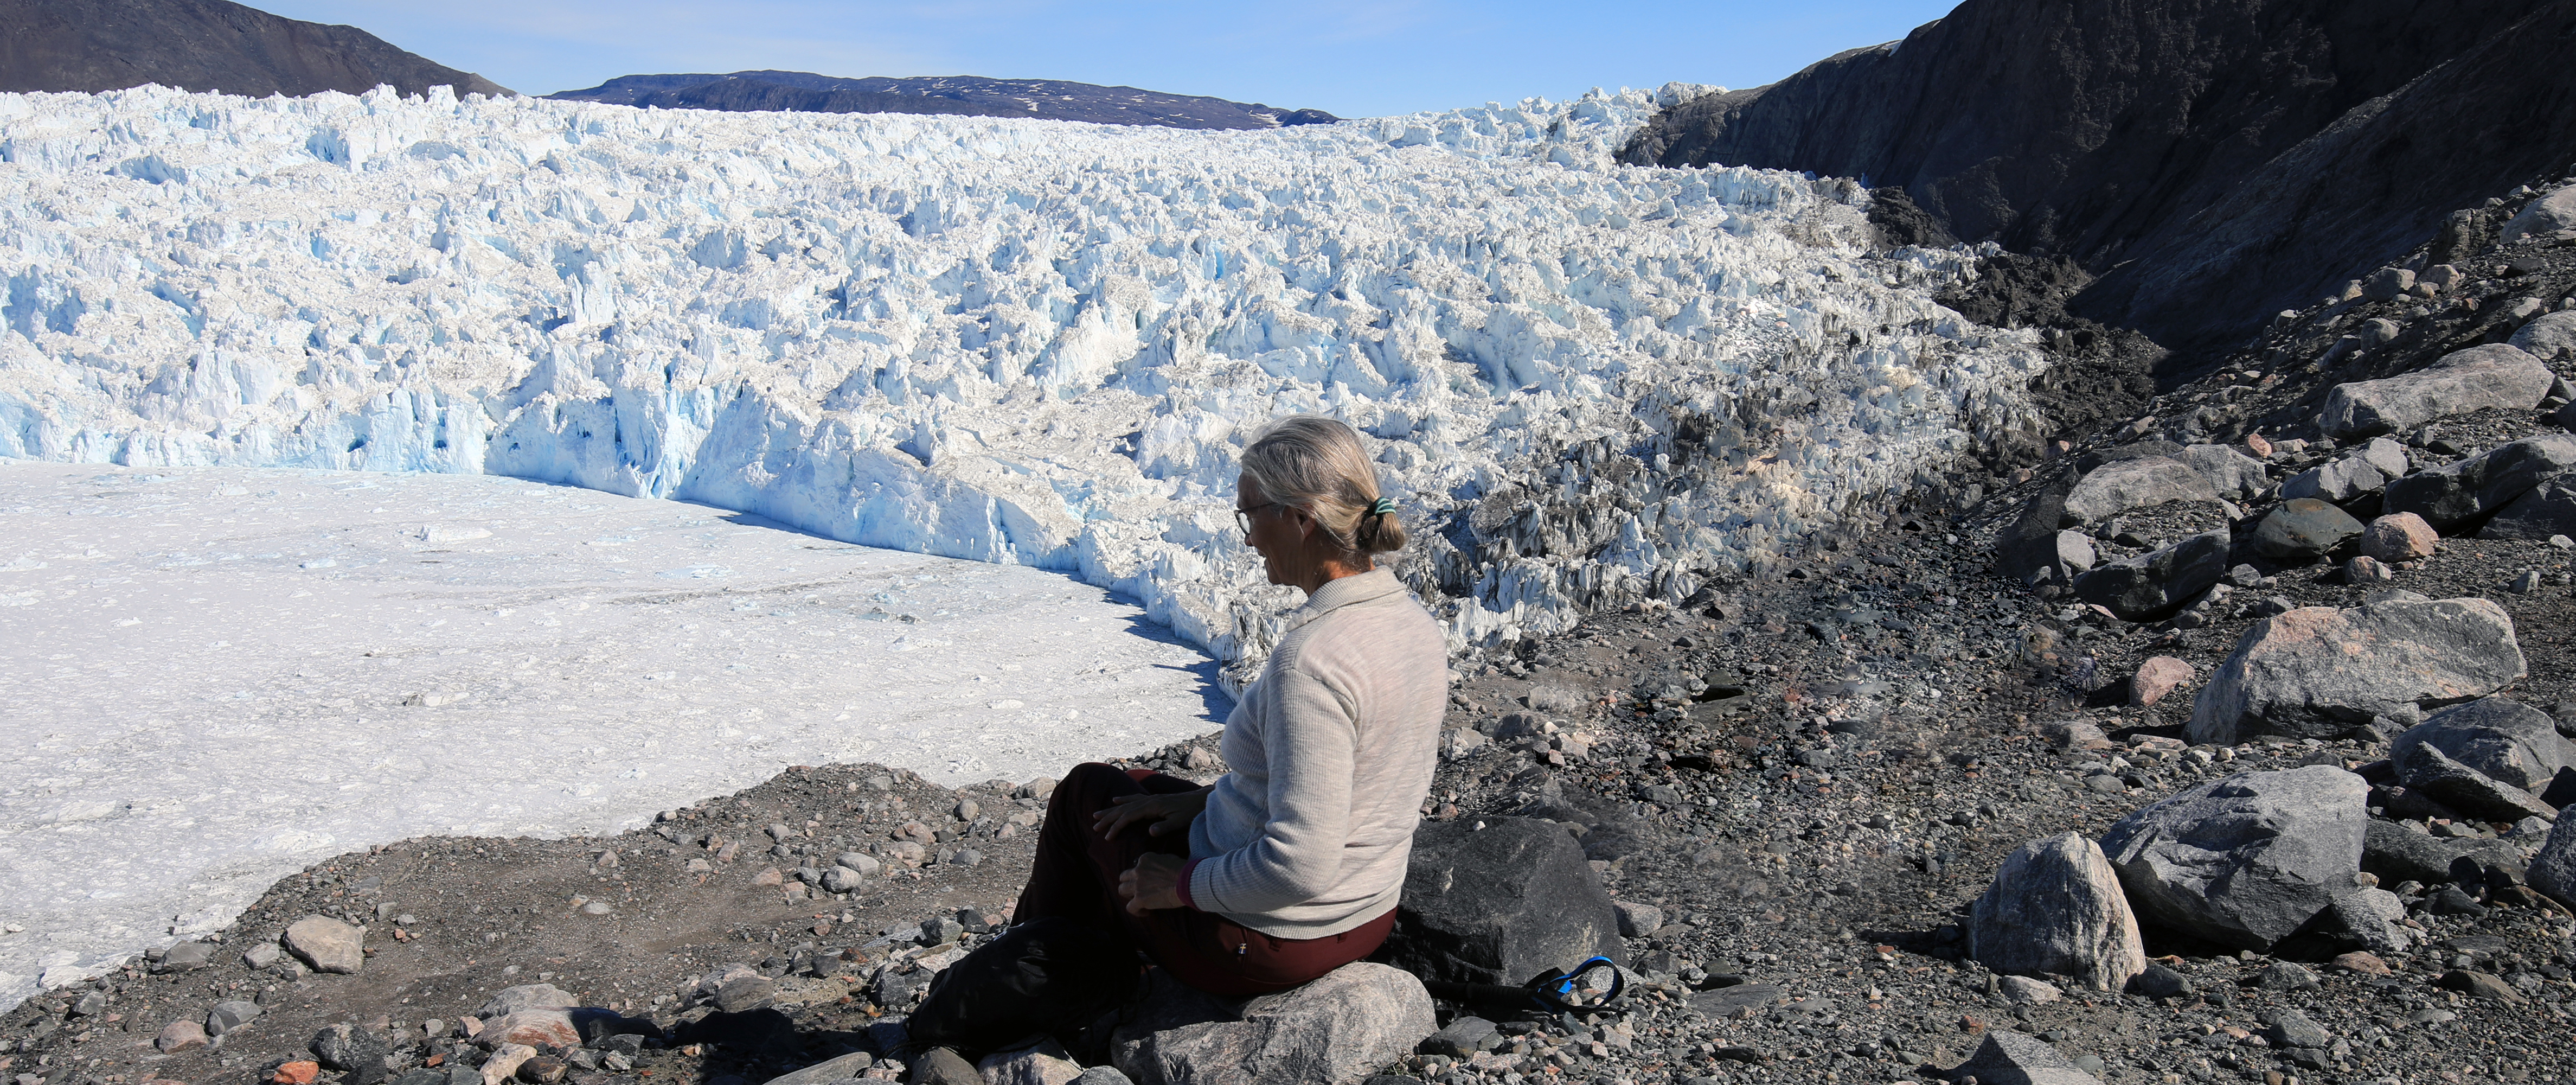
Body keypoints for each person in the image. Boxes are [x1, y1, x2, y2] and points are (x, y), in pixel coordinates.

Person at [1010, 414, 1449, 996]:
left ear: (1299, 518)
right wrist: (1204, 802)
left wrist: (1183, 883)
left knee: (1082, 799)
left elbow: (1299, 864)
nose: (1246, 537)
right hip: (1362, 911)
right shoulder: (1410, 622)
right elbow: (1349, 781)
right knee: (1134, 791)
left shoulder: (1312, 660)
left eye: (1250, 513)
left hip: (1270, 940)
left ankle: (1026, 984)